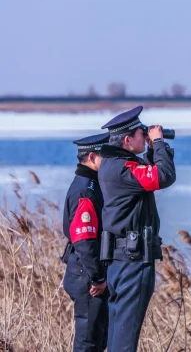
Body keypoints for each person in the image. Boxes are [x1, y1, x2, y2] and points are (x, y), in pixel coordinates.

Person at [97, 105, 176, 351]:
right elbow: (163, 177)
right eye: (142, 134)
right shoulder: (124, 169)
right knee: (126, 333)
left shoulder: (112, 165)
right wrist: (160, 143)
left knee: (118, 327)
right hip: (132, 261)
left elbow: (147, 178)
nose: (146, 137)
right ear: (128, 140)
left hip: (119, 259)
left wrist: (153, 151)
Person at [61, 132, 110, 352]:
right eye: (106, 157)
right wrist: (97, 278)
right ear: (92, 157)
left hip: (84, 273)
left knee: (97, 340)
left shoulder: (89, 183)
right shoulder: (86, 191)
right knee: (88, 343)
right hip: (87, 277)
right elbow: (84, 240)